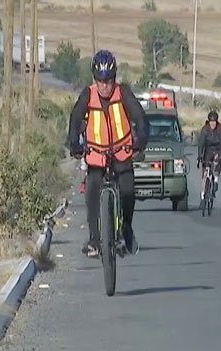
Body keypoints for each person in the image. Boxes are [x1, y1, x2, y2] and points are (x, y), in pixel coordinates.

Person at [67, 49, 147, 258]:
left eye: (109, 80)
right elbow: (75, 120)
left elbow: (139, 117)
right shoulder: (88, 94)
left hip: (122, 152)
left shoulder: (123, 93)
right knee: (92, 192)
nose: (105, 86)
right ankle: (94, 238)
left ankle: (126, 229)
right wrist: (74, 144)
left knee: (128, 192)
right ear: (95, 79)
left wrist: (141, 140)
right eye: (100, 81)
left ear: (114, 78)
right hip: (96, 153)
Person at [197, 111, 221, 205]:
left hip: (217, 149)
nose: (212, 124)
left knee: (216, 164)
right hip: (208, 150)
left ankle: (216, 180)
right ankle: (202, 196)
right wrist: (199, 156)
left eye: (214, 122)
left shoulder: (220, 129)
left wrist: (220, 156)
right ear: (208, 122)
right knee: (205, 173)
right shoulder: (205, 129)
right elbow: (201, 143)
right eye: (211, 122)